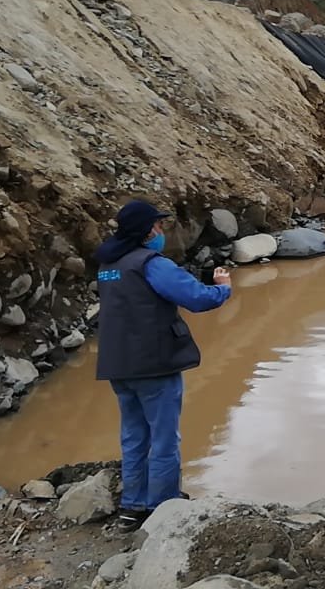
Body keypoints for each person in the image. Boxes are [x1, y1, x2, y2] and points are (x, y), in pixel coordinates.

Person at [94, 200, 233, 530]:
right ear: (144, 231)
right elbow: (196, 298)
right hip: (154, 364)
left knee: (133, 435)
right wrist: (223, 288)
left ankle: (132, 507)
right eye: (156, 227)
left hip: (118, 365)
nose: (159, 232)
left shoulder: (107, 266)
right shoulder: (151, 263)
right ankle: (162, 505)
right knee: (164, 437)